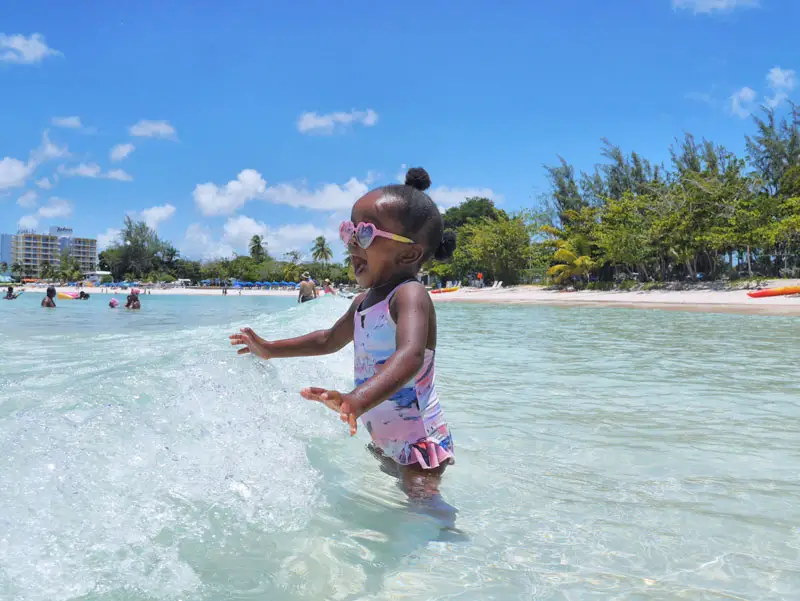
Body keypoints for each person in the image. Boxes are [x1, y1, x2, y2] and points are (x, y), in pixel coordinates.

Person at [230, 167, 457, 501]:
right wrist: (269, 349)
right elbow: (328, 339)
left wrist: (357, 399)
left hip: (418, 439)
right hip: (384, 437)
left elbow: (410, 356)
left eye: (364, 234)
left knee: (424, 510)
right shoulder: (363, 302)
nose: (352, 243)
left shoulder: (410, 295)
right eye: (349, 231)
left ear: (409, 253)